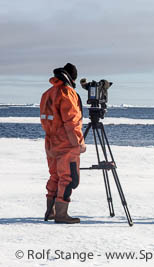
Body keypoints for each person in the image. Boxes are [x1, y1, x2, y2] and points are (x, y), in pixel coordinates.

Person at [40, 63, 86, 224]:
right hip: (66, 142)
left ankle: (50, 211)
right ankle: (61, 214)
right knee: (68, 177)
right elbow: (72, 121)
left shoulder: (48, 93)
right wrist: (78, 142)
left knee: (55, 175)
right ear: (72, 77)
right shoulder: (67, 93)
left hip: (50, 141)